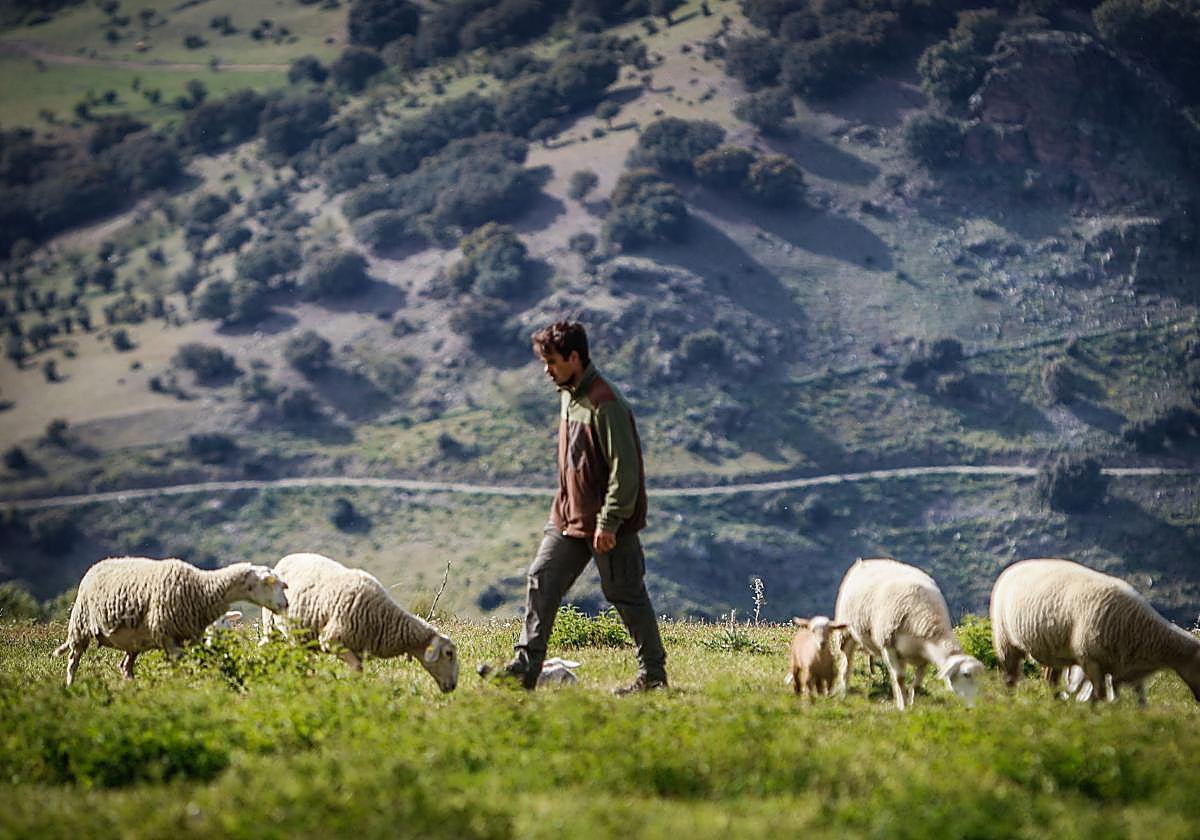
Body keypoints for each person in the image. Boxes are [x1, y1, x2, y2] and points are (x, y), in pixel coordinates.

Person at [488, 320, 668, 693]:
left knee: (627, 594)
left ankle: (653, 676)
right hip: (568, 517)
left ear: (575, 357)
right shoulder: (568, 394)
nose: (546, 369)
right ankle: (524, 671)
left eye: (552, 361)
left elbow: (626, 470)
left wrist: (610, 521)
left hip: (606, 523)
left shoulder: (606, 403)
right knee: (542, 579)